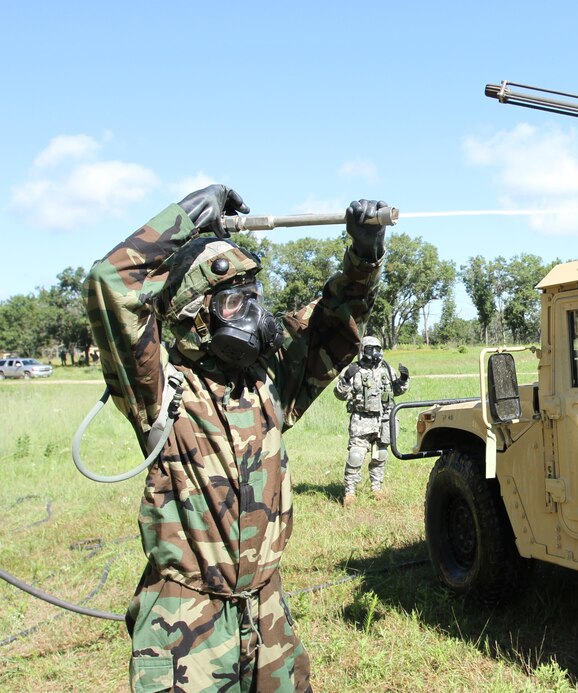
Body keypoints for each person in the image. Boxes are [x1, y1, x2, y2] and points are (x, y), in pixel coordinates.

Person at [84, 184, 388, 692]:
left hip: (267, 605)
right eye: (232, 300)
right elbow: (110, 281)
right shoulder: (160, 388)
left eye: (254, 298)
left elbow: (337, 316)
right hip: (187, 620)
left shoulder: (270, 379)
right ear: (193, 314)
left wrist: (365, 255)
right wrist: (185, 218)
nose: (252, 313)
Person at [333, 336, 409, 504]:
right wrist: (345, 380)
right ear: (362, 351)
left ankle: (376, 488)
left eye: (377, 349)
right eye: (370, 349)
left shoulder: (387, 369)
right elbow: (340, 394)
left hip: (383, 419)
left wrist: (403, 380)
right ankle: (350, 492)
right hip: (362, 420)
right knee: (356, 456)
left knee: (381, 454)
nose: (374, 352)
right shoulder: (354, 370)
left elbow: (396, 391)